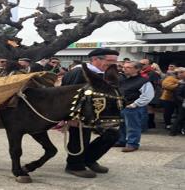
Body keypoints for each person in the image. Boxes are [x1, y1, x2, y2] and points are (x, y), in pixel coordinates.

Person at [62, 48, 120, 178]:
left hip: (100, 113)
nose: (113, 64)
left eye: (115, 61)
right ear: (95, 59)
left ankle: (88, 159)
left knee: (113, 135)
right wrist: (72, 116)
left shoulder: (105, 73)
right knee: (80, 138)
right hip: (80, 114)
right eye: (110, 61)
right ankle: (74, 165)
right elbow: (69, 95)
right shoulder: (79, 72)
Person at [115, 61, 154, 152]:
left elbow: (148, 95)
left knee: (133, 126)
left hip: (134, 107)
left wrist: (135, 104)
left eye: (128, 67)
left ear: (137, 69)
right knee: (122, 125)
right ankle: (122, 141)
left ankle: (133, 144)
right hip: (122, 106)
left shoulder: (143, 81)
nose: (124, 69)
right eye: (124, 67)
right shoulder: (123, 79)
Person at [169, 67, 185, 136]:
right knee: (180, 117)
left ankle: (176, 130)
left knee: (180, 117)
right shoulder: (181, 83)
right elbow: (177, 95)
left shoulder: (181, 82)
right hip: (181, 102)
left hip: (180, 101)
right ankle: (173, 131)